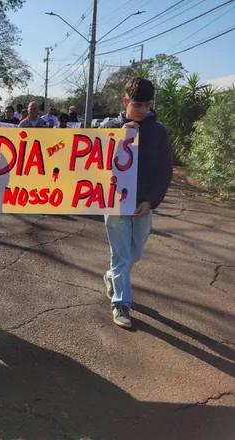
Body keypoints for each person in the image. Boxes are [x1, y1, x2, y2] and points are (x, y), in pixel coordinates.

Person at [101, 77, 173, 329]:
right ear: (125, 102)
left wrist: (152, 201)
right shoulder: (109, 127)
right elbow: (93, 161)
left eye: (147, 105)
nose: (142, 110)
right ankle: (120, 303)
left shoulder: (159, 131)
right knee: (120, 256)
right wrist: (120, 135)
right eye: (137, 104)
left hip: (143, 204)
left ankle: (111, 277)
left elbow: (165, 171)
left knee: (135, 253)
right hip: (115, 202)